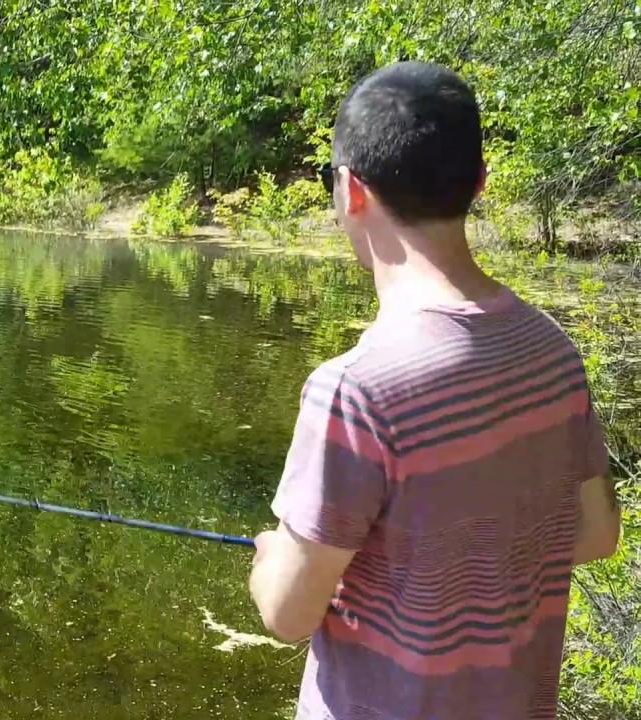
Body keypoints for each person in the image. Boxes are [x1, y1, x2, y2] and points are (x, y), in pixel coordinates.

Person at [247, 61, 622, 719]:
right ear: (479, 181)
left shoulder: (355, 391)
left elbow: (287, 612)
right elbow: (596, 533)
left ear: (350, 190)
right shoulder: (552, 351)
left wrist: (271, 557)